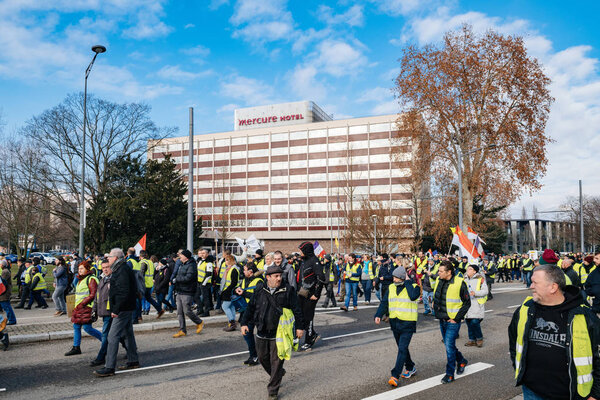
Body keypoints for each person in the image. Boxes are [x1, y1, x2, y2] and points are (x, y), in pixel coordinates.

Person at [509, 264, 600, 400]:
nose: (530, 286)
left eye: (535, 282)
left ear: (553, 287)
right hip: (532, 391)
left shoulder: (583, 315)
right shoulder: (525, 310)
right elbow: (514, 345)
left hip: (572, 394)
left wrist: (596, 394)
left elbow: (598, 355)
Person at [240, 265, 304, 400]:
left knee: (276, 362)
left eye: (280, 276)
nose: (279, 278)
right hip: (262, 330)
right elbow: (251, 307)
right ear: (268, 277)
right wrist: (244, 323)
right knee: (263, 358)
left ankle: (273, 391)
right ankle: (278, 374)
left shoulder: (288, 290)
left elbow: (297, 309)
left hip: (279, 333)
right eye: (276, 276)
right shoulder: (260, 289)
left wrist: (300, 327)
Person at [94, 248, 140, 377]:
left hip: (123, 308)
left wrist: (115, 309)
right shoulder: (121, 268)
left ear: (115, 257)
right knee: (128, 334)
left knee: (112, 336)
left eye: (109, 257)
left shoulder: (122, 270)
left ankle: (109, 367)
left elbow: (123, 292)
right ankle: (133, 360)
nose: (107, 259)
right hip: (126, 307)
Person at [374, 266, 420, 387]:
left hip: (408, 323)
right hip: (395, 322)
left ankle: (395, 375)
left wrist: (408, 280)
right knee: (402, 348)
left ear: (401, 277)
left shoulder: (414, 287)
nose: (393, 279)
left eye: (395, 277)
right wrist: (378, 314)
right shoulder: (391, 287)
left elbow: (413, 296)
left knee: (402, 348)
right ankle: (410, 367)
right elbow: (385, 302)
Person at [433, 260, 471, 384]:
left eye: (441, 271)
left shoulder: (460, 283)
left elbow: (467, 303)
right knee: (449, 346)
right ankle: (461, 361)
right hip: (442, 319)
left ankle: (450, 374)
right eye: (438, 271)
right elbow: (438, 296)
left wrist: (456, 318)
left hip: (453, 321)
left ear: (449, 272)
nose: (438, 273)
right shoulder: (439, 280)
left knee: (449, 347)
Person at [65, 261, 102, 356]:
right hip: (80, 308)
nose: (79, 270)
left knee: (87, 328)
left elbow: (93, 294)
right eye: (79, 269)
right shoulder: (81, 279)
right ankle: (76, 347)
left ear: (87, 269)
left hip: (87, 307)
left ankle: (106, 341)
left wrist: (82, 304)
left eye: (82, 269)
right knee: (76, 326)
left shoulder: (91, 279)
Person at [297, 241, 325, 351]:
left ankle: (309, 340)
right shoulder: (303, 261)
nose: (300, 252)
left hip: (311, 295)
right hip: (302, 293)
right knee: (301, 317)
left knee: (308, 318)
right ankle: (313, 334)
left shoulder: (315, 261)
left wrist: (316, 294)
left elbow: (321, 278)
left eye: (301, 250)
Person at [235, 262, 264, 366]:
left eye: (245, 270)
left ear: (250, 272)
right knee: (247, 334)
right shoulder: (244, 280)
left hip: (257, 311)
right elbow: (238, 288)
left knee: (262, 335)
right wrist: (237, 290)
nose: (243, 271)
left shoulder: (259, 281)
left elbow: (259, 297)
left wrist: (244, 293)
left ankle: (260, 356)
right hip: (247, 311)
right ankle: (253, 355)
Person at [172, 250, 204, 338]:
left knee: (187, 311)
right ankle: (182, 330)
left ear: (186, 257)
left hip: (187, 291)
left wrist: (177, 279)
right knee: (179, 312)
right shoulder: (183, 264)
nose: (179, 257)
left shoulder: (192, 265)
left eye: (181, 255)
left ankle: (199, 322)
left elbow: (188, 278)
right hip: (180, 290)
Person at [463, 263, 488, 347]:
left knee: (474, 322)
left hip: (477, 304)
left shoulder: (480, 279)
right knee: (469, 322)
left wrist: (475, 293)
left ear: (474, 271)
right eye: (467, 269)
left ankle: (479, 338)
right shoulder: (464, 279)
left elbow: (485, 291)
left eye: (470, 269)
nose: (467, 270)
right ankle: (472, 340)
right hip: (467, 304)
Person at [138, 251, 164, 318]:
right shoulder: (150, 262)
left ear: (140, 256)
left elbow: (141, 274)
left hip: (144, 284)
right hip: (149, 283)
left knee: (139, 299)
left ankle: (139, 315)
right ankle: (160, 309)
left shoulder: (143, 262)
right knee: (149, 298)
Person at [220, 254, 241, 331]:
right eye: (225, 260)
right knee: (231, 307)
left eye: (227, 260)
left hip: (229, 291)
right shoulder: (230, 269)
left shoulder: (233, 269)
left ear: (231, 261)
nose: (226, 261)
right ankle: (232, 323)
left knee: (225, 306)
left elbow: (234, 282)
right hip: (230, 291)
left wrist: (227, 290)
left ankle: (232, 323)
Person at [195, 249, 214, 317]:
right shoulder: (200, 261)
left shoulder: (209, 263)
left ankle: (207, 311)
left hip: (205, 283)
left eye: (204, 253)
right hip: (199, 282)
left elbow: (209, 274)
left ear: (207, 254)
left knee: (206, 298)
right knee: (196, 296)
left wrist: (203, 283)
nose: (202, 254)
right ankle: (200, 309)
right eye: (201, 253)